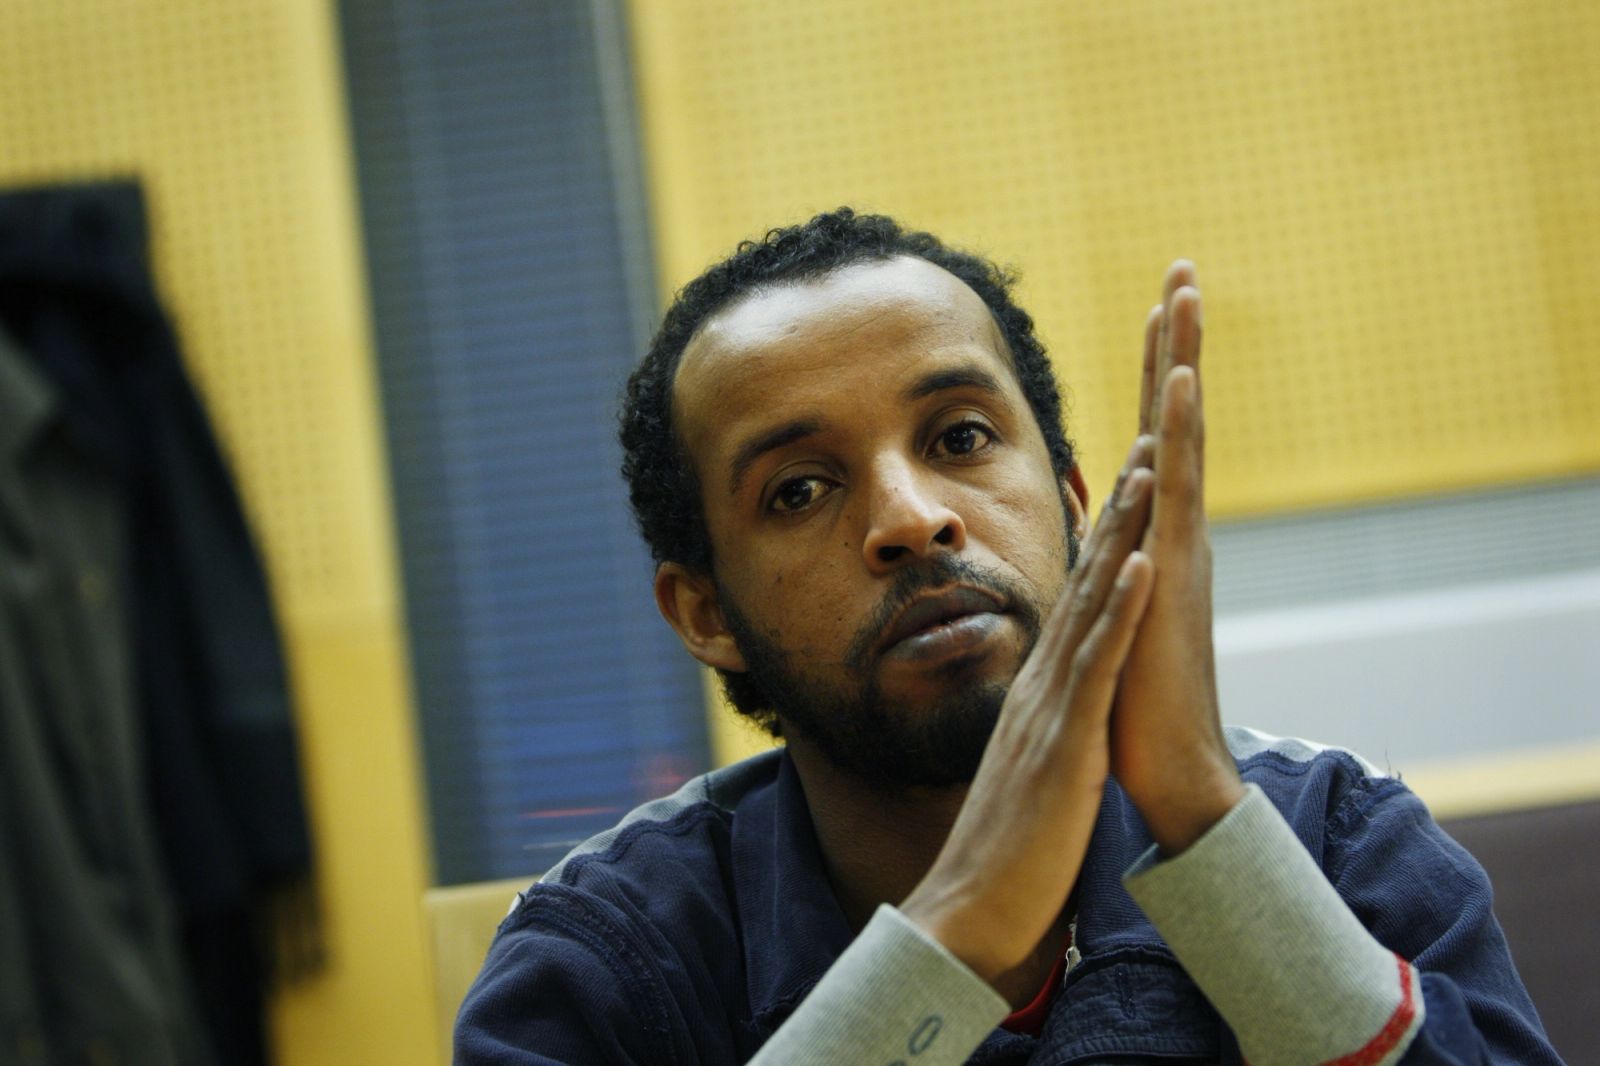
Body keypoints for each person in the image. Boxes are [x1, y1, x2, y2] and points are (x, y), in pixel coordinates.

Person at [455, 209, 1560, 1064]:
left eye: (960, 436)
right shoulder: (607, 964)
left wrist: (1204, 820)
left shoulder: (1335, 837)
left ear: (1075, 506)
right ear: (705, 612)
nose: (909, 518)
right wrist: (957, 933)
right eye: (799, 490)